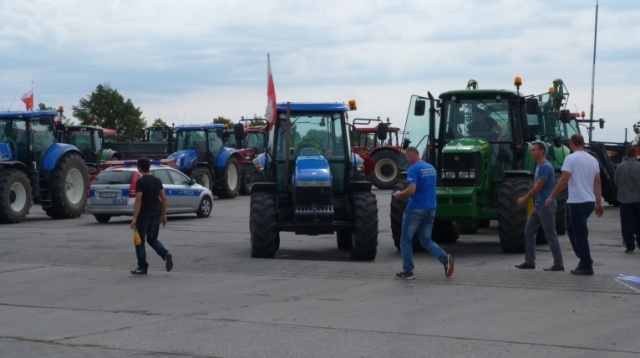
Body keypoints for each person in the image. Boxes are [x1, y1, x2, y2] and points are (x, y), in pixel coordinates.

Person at [545, 134, 604, 276]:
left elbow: (564, 179)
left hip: (578, 201)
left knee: (580, 233)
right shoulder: (593, 159)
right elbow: (597, 182)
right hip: (589, 201)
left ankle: (586, 264)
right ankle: (583, 256)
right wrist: (598, 202)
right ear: (583, 143)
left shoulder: (570, 158)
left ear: (571, 144)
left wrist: (552, 196)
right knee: (571, 229)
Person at [392, 146, 454, 280]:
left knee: (405, 240)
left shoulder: (413, 169)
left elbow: (411, 190)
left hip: (416, 208)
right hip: (431, 208)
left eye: (406, 157)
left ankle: (408, 271)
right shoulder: (430, 168)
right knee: (426, 239)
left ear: (410, 156)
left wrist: (399, 194)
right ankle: (444, 258)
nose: (406, 160)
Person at [515, 142, 564, 271]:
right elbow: (536, 185)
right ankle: (529, 261)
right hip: (539, 205)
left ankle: (558, 264)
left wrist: (524, 198)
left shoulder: (546, 167)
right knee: (528, 231)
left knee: (550, 235)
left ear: (542, 151)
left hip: (546, 206)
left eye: (534, 150)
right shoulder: (538, 165)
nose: (531, 152)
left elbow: (539, 187)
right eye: (531, 150)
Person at [130, 157, 173, 275]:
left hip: (144, 215)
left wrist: (134, 218)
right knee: (152, 239)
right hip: (156, 214)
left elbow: (138, 201)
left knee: (139, 241)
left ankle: (142, 267)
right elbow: (164, 198)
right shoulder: (157, 180)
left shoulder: (141, 181)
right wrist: (164, 215)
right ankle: (165, 254)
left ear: (139, 168)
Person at [614, 146, 640, 253]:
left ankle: (629, 245)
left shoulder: (620, 167)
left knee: (626, 223)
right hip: (638, 199)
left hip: (624, 199)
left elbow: (615, 182)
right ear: (635, 154)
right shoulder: (639, 166)